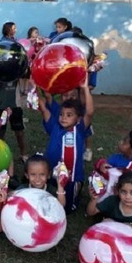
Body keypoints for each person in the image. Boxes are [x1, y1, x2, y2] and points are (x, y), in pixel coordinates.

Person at [38, 76, 94, 213]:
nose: (63, 117)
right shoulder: (54, 126)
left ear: (78, 118)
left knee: (68, 209)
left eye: (69, 115)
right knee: (48, 200)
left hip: (73, 176)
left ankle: (73, 198)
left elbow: (90, 112)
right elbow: (44, 109)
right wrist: (34, 88)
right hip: (51, 173)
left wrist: (85, 88)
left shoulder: (79, 129)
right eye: (62, 114)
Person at [86, 172, 132, 263]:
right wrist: (94, 200)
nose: (127, 197)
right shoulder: (113, 201)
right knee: (107, 222)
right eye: (123, 192)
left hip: (130, 246)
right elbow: (90, 212)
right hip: (108, 239)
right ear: (118, 191)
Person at [0, 77, 29, 163]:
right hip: (0, 106)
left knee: (19, 132)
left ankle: (24, 155)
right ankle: (0, 155)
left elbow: (23, 83)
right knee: (0, 133)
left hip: (15, 105)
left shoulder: (16, 69)